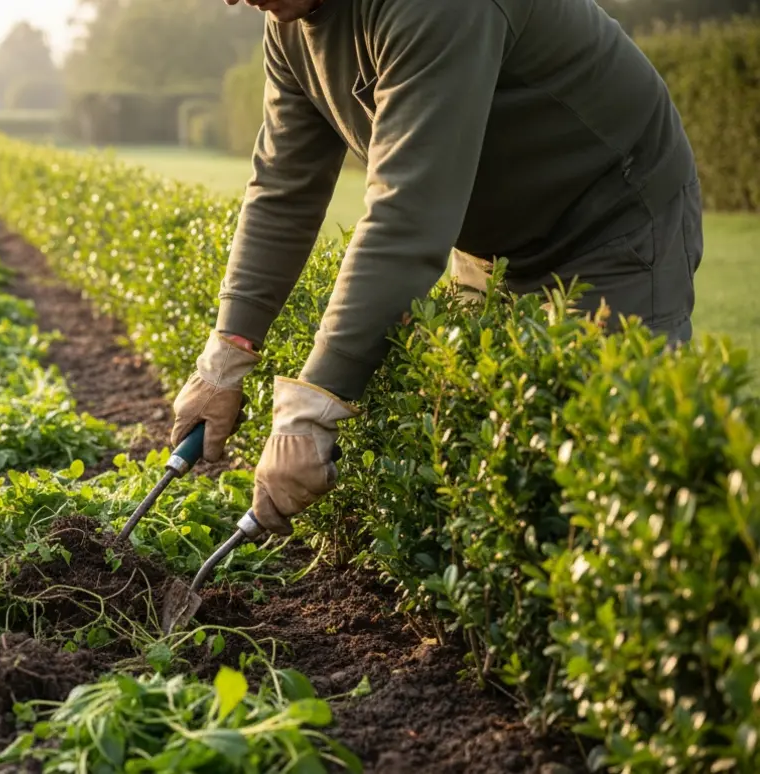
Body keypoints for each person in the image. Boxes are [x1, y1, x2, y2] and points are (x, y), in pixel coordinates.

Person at [170, 0, 703, 535]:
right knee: (483, 467)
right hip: (487, 245)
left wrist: (311, 409)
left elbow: (406, 212)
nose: (233, 0)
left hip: (612, 225)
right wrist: (226, 355)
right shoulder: (290, 25)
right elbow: (284, 188)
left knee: (612, 478)